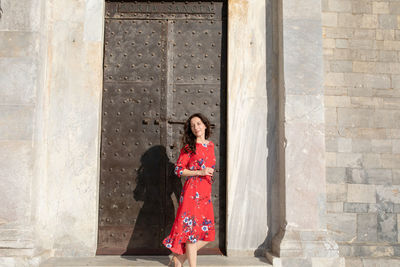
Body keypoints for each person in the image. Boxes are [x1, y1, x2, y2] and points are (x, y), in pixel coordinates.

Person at [162, 113, 216, 267]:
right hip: (192, 194)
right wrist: (199, 172)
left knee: (207, 235)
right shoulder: (189, 148)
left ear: (205, 125)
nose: (196, 127)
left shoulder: (211, 146)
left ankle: (179, 259)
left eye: (198, 123)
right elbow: (178, 170)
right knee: (191, 235)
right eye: (193, 125)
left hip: (205, 195)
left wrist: (206, 175)